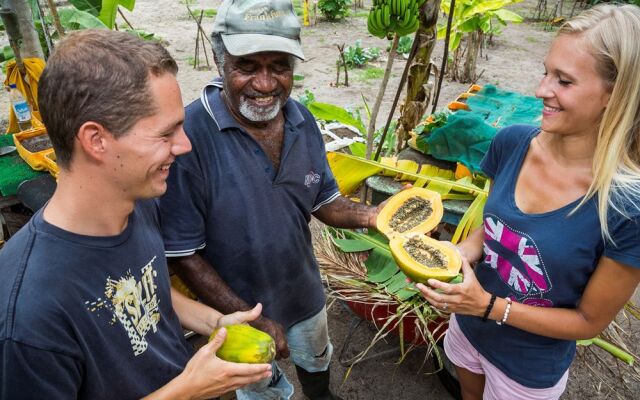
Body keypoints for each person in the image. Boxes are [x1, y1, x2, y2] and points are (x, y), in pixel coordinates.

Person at [0, 29, 272, 399]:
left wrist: (215, 322)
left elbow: (143, 288)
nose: (185, 144)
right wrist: (186, 390)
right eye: (166, 133)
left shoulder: (137, 203)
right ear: (96, 140)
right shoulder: (27, 315)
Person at [157, 1, 381, 399]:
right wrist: (248, 318)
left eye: (279, 66)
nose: (265, 84)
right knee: (259, 386)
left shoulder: (300, 118)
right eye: (247, 66)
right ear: (219, 59)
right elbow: (183, 254)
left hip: (303, 289)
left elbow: (322, 202)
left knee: (316, 358)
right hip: (238, 309)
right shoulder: (190, 138)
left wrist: (377, 216)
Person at [417, 4, 640, 400]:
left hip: (527, 367)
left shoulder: (627, 207)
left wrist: (488, 305)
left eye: (564, 81)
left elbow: (588, 321)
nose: (541, 91)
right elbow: (493, 231)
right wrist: (454, 256)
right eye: (545, 72)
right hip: (468, 328)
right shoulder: (512, 143)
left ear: (613, 94)